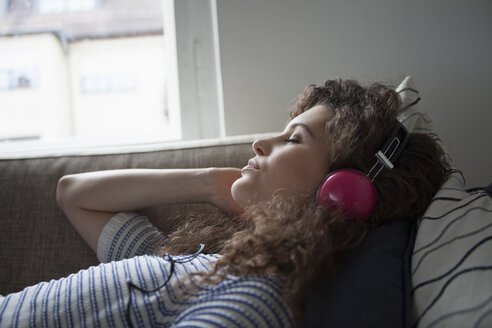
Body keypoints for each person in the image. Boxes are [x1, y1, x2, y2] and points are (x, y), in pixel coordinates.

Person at [0, 79, 450, 327]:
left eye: (293, 138)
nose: (259, 142)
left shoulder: (255, 295)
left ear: (340, 193)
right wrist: (211, 183)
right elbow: (74, 194)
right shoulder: (218, 265)